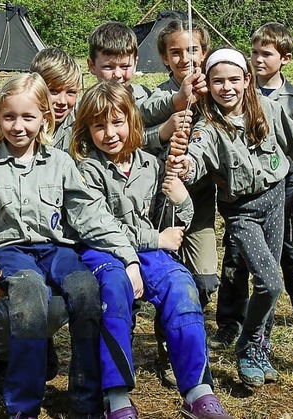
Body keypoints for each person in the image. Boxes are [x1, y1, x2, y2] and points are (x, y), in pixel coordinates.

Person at [0, 72, 144, 419]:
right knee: (30, 294)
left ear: (45, 118)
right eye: (9, 117)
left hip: (55, 249)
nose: (18, 126)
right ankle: (23, 404)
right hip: (8, 250)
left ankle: (86, 400)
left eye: (28, 117)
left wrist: (128, 257)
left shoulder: (60, 163)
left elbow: (90, 215)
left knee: (86, 290)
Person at [167, 47, 293, 387]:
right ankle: (247, 345)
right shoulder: (207, 127)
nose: (226, 88)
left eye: (234, 79)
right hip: (241, 212)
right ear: (209, 84)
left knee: (268, 288)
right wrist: (183, 166)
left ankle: (263, 346)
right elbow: (197, 158)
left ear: (247, 80)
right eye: (218, 81)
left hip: (276, 201)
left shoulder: (270, 110)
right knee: (270, 282)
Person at [69, 80, 233, 419]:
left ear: (133, 122)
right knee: (113, 292)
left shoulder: (150, 164)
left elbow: (170, 219)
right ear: (87, 129)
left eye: (117, 122)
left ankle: (198, 389)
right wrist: (151, 242)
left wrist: (181, 199)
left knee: (180, 284)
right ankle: (116, 396)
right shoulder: (86, 169)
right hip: (103, 253)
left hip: (147, 252)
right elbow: (98, 225)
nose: (110, 133)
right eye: (99, 126)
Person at [0, 47, 81, 392]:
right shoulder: (2, 143)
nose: (63, 100)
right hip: (8, 242)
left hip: (55, 238)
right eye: (54, 91)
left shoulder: (76, 133)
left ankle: (43, 344)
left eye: (71, 92)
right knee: (13, 298)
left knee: (63, 295)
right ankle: (3, 356)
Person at [211, 22, 293, 350]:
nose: (258, 59)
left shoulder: (292, 99)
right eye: (254, 53)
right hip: (243, 194)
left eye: (266, 54)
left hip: (284, 187)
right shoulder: (228, 96)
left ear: (286, 59)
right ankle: (230, 321)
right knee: (235, 259)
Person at [141, 19, 217, 388]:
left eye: (193, 50)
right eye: (176, 52)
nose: (186, 58)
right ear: (164, 58)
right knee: (170, 277)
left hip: (200, 201)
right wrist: (169, 122)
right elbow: (134, 134)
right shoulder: (154, 95)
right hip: (161, 203)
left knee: (203, 280)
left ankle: (189, 343)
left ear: (204, 52)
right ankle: (170, 347)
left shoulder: (218, 89)